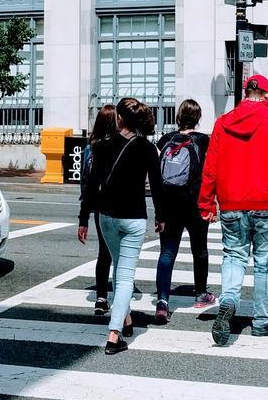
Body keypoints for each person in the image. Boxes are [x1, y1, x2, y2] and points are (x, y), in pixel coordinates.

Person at [198, 74, 268, 344]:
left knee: (233, 255)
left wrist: (207, 201)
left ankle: (229, 298)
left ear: (245, 92)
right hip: (267, 200)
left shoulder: (223, 122)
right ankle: (262, 320)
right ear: (266, 93)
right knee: (265, 262)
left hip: (231, 200)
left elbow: (211, 165)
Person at [78, 97, 164, 356]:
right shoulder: (147, 149)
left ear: (120, 118)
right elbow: (157, 186)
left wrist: (83, 219)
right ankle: (114, 334)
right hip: (134, 218)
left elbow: (90, 186)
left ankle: (125, 319)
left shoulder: (101, 146)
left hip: (106, 217)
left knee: (119, 269)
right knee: (125, 274)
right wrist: (161, 215)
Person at [153, 98, 211, 321]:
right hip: (195, 204)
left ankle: (162, 301)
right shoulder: (203, 141)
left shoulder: (166, 140)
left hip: (169, 204)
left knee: (167, 252)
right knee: (200, 250)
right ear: (197, 119)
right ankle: (201, 293)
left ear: (178, 117)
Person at [78, 103, 118, 318]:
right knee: (119, 254)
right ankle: (118, 295)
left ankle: (101, 297)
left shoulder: (91, 146)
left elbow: (87, 184)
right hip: (119, 206)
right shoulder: (117, 146)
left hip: (98, 206)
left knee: (104, 253)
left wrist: (83, 217)